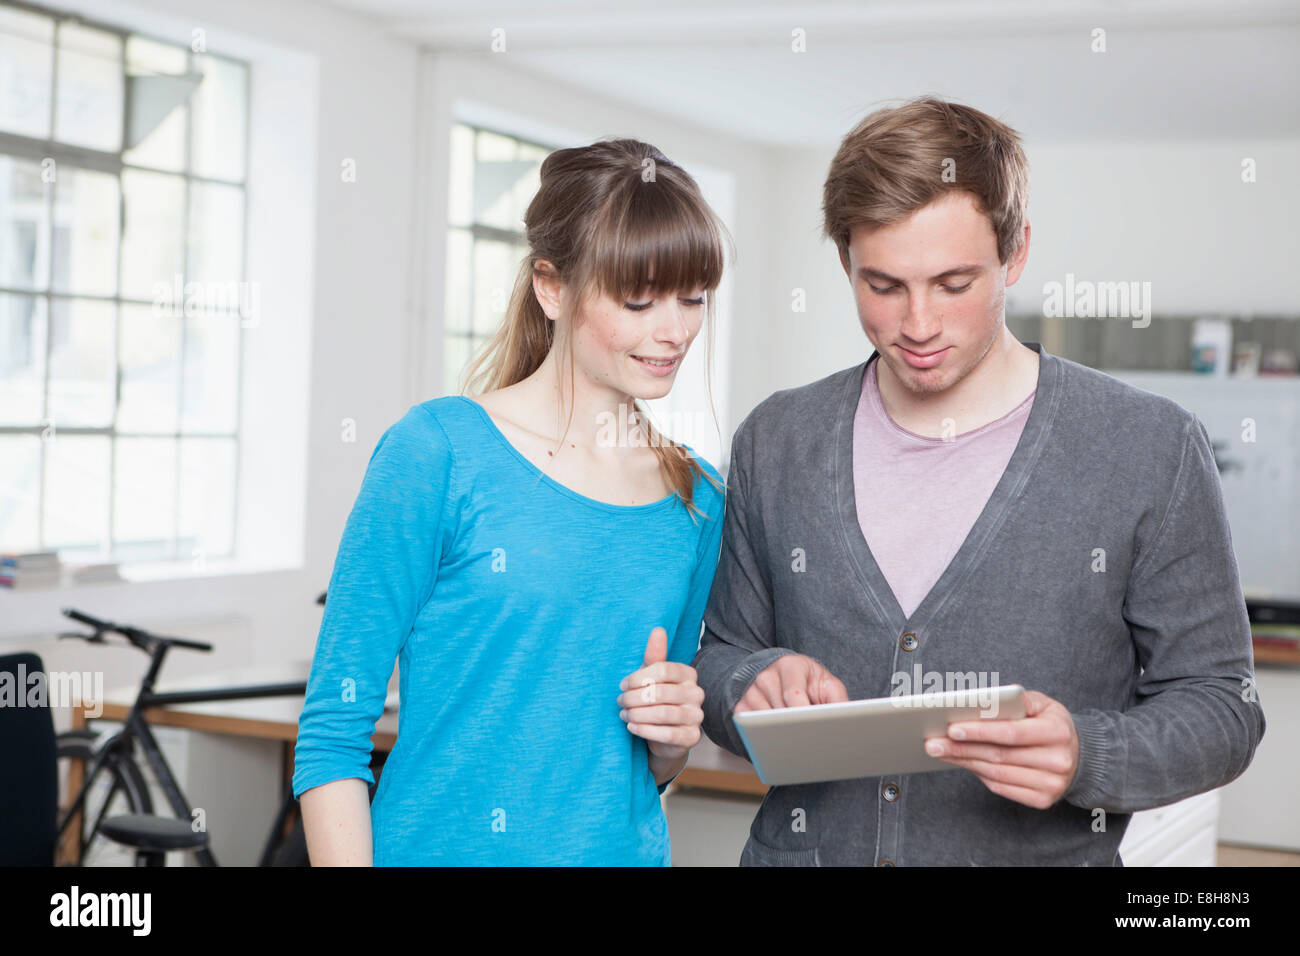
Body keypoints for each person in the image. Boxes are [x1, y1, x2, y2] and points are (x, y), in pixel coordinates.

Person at [693, 96, 1265, 866]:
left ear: (1015, 253)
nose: (919, 324)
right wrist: (752, 684)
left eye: (954, 283)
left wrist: (1087, 754)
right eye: (883, 285)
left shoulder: (1149, 447)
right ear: (845, 264)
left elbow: (1224, 707)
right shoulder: (778, 439)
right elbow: (724, 653)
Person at [293, 138, 728, 865]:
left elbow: (643, 770)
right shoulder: (437, 452)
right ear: (551, 288)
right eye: (638, 298)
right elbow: (332, 736)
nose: (674, 329)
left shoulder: (698, 499)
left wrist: (673, 738)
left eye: (692, 296)